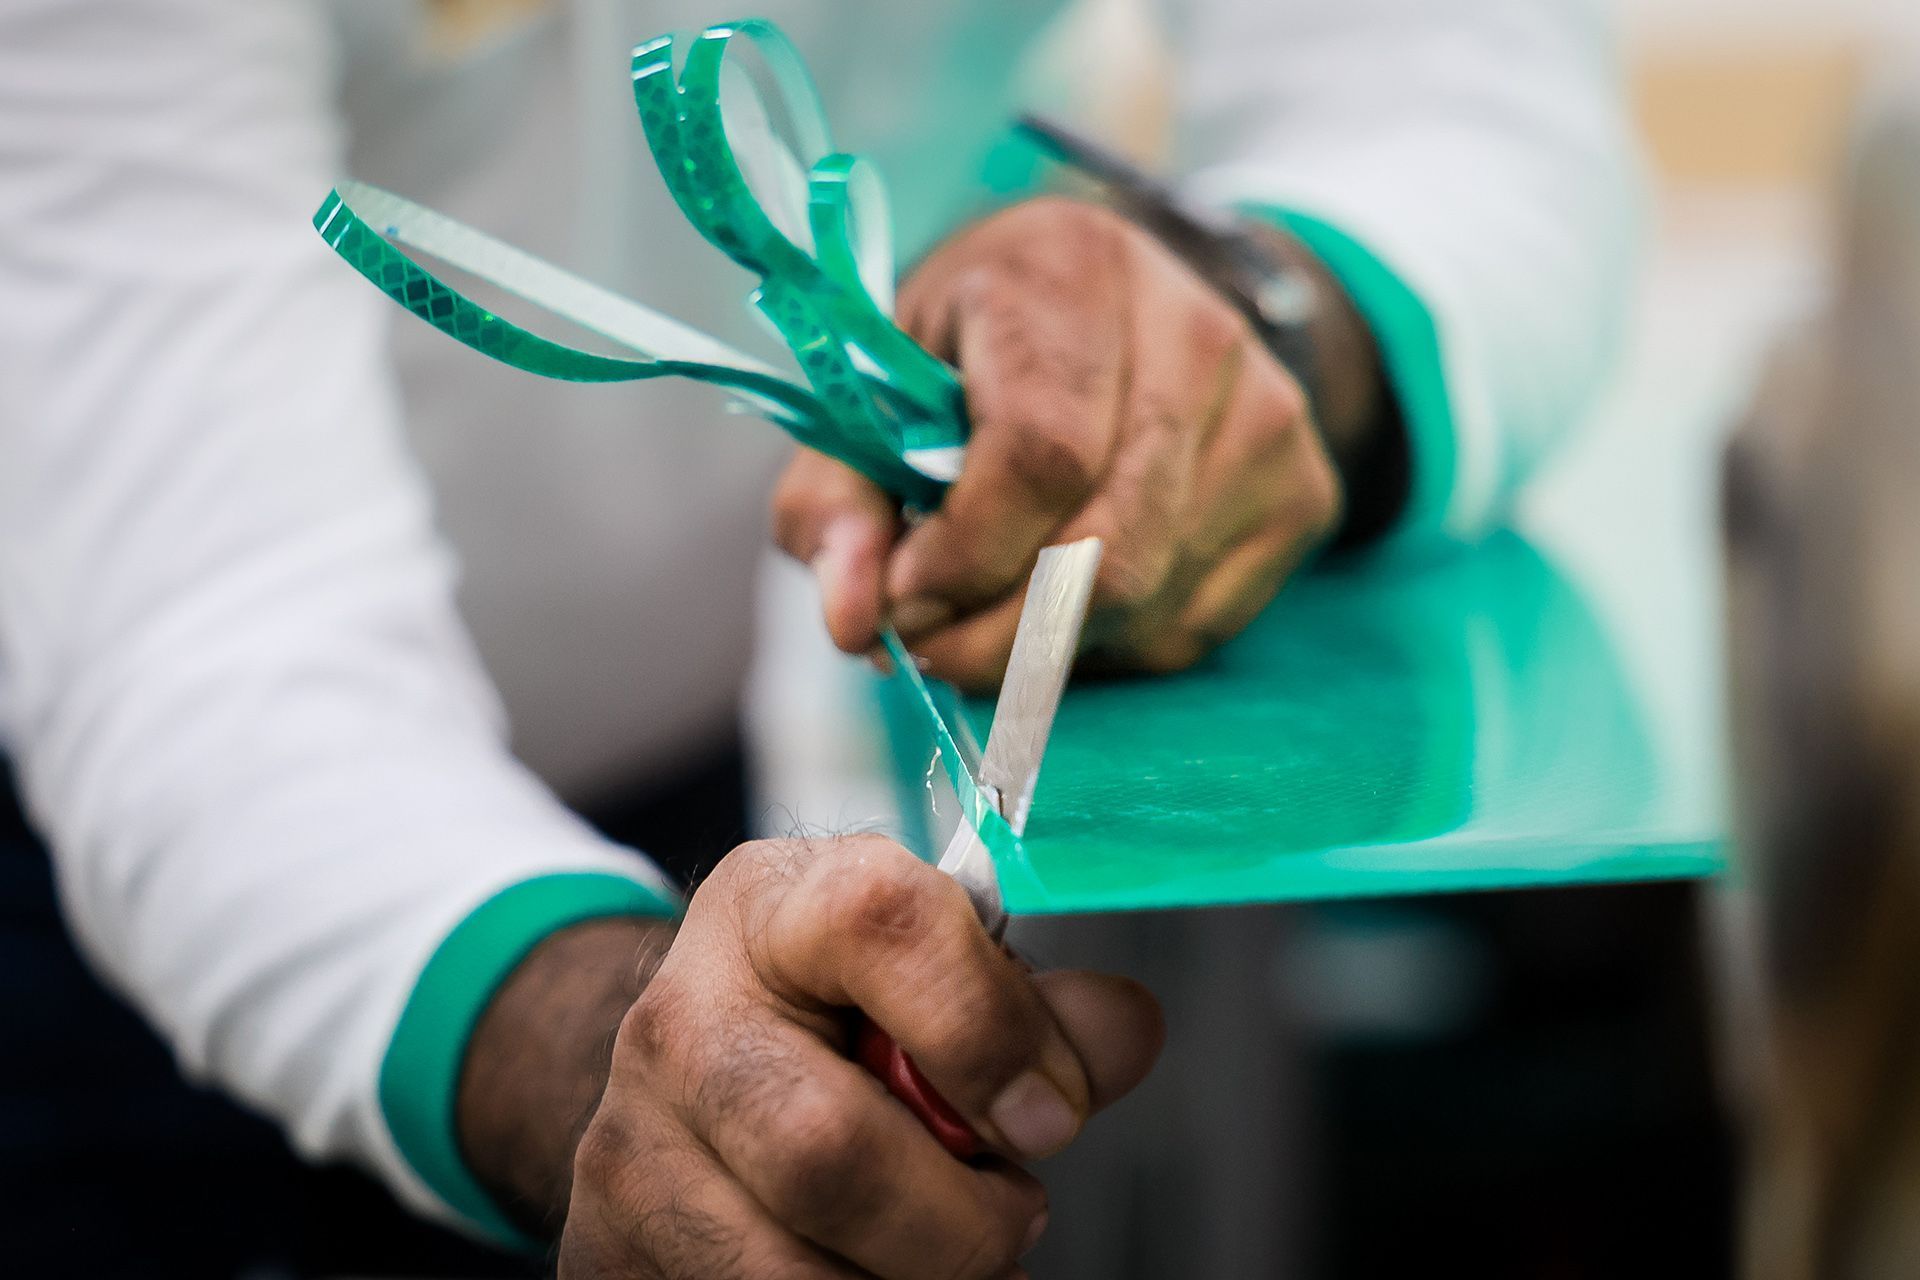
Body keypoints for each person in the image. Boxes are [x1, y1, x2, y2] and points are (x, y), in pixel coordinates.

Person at [0, 0, 1637, 1275]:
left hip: (669, 825)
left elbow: (1449, 89)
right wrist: (627, 1070)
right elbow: (199, 625)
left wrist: (1257, 330)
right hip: (151, 870)